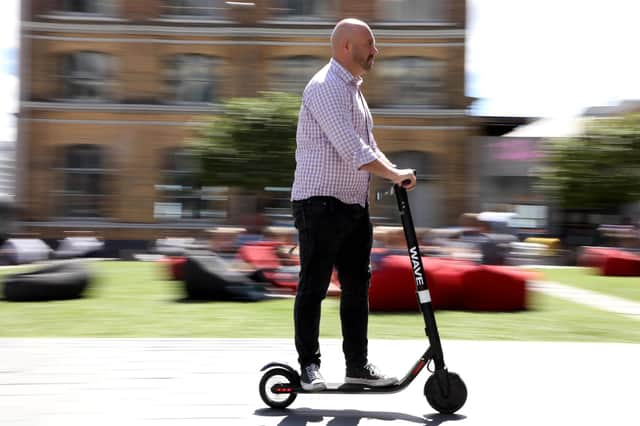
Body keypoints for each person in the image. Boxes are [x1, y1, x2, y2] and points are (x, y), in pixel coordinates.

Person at [290, 18, 417, 391]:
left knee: (357, 286)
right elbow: (352, 150)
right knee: (313, 285)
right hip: (319, 203)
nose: (375, 50)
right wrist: (393, 174)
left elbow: (369, 146)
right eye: (370, 43)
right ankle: (309, 367)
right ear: (347, 46)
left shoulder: (354, 91)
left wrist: (394, 170)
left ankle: (357, 366)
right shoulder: (326, 86)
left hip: (352, 205)